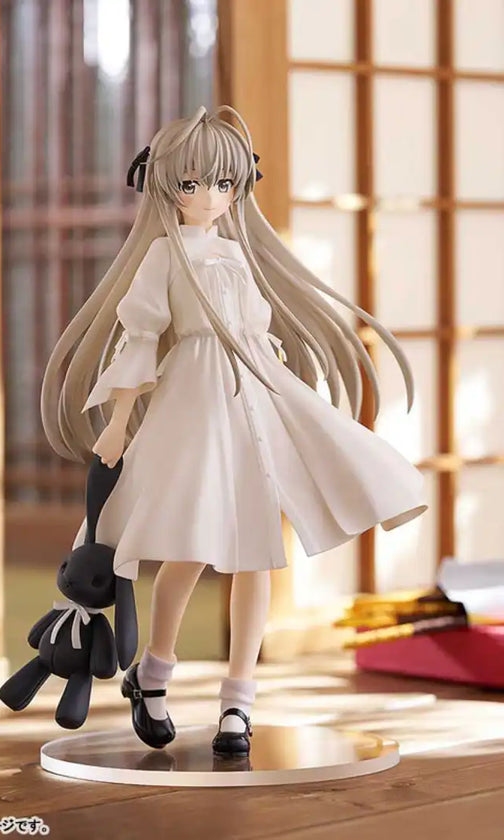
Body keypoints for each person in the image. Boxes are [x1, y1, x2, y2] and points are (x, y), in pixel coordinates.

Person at [40, 105, 428, 757]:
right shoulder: (165, 254)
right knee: (189, 544)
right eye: (192, 183)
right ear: (165, 185)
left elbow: (256, 329)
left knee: (256, 552)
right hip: (194, 400)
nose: (209, 196)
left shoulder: (236, 253)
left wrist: (281, 388)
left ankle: (238, 699)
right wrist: (120, 420)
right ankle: (153, 671)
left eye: (223, 183)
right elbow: (141, 337)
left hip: (255, 395)